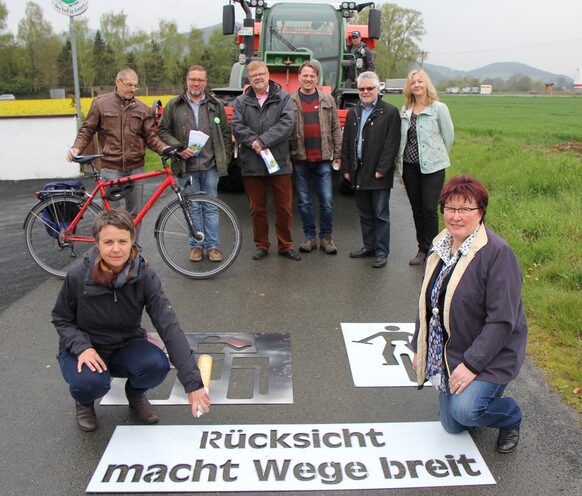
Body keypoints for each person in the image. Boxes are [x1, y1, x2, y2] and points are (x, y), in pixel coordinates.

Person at [52, 209, 210, 432]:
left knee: (156, 365)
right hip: (85, 348)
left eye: (122, 241)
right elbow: (61, 318)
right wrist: (82, 347)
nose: (116, 249)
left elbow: (169, 327)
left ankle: (135, 395)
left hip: (124, 344)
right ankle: (84, 403)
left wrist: (193, 384)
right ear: (97, 243)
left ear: (132, 241)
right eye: (108, 242)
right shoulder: (78, 275)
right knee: (91, 382)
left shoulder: (145, 276)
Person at [411, 175, 527, 454]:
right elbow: (428, 301)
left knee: (466, 411)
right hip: (454, 352)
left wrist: (472, 365)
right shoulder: (440, 246)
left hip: (492, 354)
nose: (456, 216)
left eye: (465, 209)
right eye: (450, 208)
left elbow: (502, 321)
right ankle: (474, 402)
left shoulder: (498, 254)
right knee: (452, 425)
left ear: (481, 212)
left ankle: (510, 415)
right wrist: (419, 345)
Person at [67, 68, 169, 221]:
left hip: (136, 168)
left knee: (135, 214)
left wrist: (164, 148)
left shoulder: (142, 109)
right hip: (110, 168)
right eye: (129, 85)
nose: (133, 89)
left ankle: (133, 245)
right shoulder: (101, 104)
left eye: (135, 86)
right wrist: (76, 147)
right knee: (111, 215)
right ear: (118, 82)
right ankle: (112, 245)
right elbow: (87, 129)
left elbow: (150, 137)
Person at [157, 65, 232, 263]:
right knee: (192, 207)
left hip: (210, 166)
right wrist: (179, 148)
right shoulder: (174, 104)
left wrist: (224, 158)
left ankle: (213, 246)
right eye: (193, 79)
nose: (196, 83)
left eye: (200, 79)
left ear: (206, 83)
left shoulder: (216, 105)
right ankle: (197, 246)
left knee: (211, 207)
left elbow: (225, 134)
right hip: (185, 166)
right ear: (187, 80)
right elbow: (163, 131)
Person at [231, 60, 300, 261]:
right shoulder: (241, 102)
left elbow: (286, 124)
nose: (258, 78)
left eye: (261, 74)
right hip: (251, 163)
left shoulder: (283, 98)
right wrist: (254, 141)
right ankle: (261, 245)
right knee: (257, 209)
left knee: (284, 208)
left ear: (268, 74)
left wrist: (262, 140)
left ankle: (285, 245)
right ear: (249, 79)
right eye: (253, 76)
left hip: (278, 161)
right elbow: (237, 126)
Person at [341, 71, 401, 268]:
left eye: (370, 88)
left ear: (378, 89)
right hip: (357, 171)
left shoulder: (390, 112)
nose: (365, 92)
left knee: (380, 214)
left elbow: (391, 144)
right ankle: (369, 246)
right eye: (362, 89)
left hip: (377, 173)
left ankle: (382, 251)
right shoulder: (353, 113)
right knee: (364, 213)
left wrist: (382, 169)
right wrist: (347, 168)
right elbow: (347, 143)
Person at [396, 68, 455, 266]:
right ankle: (422, 248)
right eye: (413, 83)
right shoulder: (405, 111)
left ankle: (434, 249)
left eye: (420, 82)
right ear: (409, 87)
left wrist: (436, 157)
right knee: (417, 209)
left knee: (430, 208)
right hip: (410, 166)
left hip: (433, 168)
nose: (417, 85)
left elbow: (448, 138)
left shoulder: (439, 108)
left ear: (426, 84)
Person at [290, 61, 342, 255]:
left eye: (312, 76)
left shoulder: (328, 100)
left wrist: (337, 154)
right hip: (300, 159)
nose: (308, 79)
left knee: (327, 200)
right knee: (304, 202)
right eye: (305, 75)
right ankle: (310, 237)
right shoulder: (290, 100)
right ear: (299, 77)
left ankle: (326, 238)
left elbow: (336, 128)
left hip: (323, 159)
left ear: (317, 78)